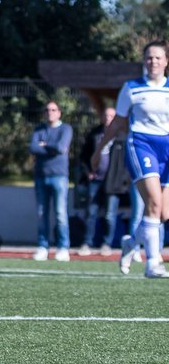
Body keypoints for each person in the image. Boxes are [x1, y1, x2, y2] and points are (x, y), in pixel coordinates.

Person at [91, 39, 169, 278]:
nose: (152, 61)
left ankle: (131, 243)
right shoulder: (132, 87)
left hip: (166, 147)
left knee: (162, 212)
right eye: (148, 57)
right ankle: (153, 263)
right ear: (144, 61)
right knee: (153, 203)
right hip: (141, 145)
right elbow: (117, 123)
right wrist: (99, 150)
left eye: (157, 57)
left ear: (166, 61)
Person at [29, 101, 73, 261]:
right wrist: (49, 148)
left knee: (60, 213)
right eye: (47, 110)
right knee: (42, 213)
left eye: (53, 110)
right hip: (41, 175)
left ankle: (63, 247)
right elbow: (33, 148)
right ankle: (43, 246)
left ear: (59, 112)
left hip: (59, 176)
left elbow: (61, 147)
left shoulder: (66, 129)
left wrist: (44, 145)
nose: (50, 112)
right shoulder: (39, 129)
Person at [79, 107, 120, 256]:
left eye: (111, 115)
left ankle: (106, 244)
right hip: (96, 180)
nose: (108, 118)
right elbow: (83, 156)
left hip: (112, 183)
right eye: (106, 115)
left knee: (110, 214)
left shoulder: (121, 136)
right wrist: (87, 172)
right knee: (91, 212)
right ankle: (86, 243)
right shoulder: (94, 134)